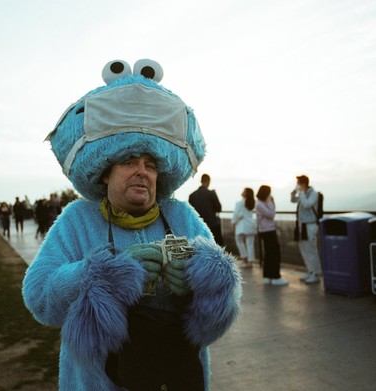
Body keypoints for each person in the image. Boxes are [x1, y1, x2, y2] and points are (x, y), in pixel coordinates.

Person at [22, 59, 242, 391]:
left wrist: (209, 282)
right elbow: (39, 298)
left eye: (150, 164)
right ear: (105, 172)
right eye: (128, 161)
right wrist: (98, 275)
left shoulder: (182, 216)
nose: (142, 171)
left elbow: (220, 316)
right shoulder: (76, 220)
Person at [291, 174, 322, 284]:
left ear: (303, 184)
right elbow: (293, 200)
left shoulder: (313, 193)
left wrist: (302, 193)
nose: (297, 185)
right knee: (304, 249)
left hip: (310, 225)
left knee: (311, 250)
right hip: (301, 225)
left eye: (298, 183)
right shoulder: (302, 193)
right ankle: (310, 271)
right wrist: (294, 192)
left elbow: (307, 204)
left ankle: (315, 273)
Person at [256, 185, 289, 286]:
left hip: (265, 231)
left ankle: (267, 276)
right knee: (274, 253)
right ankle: (275, 277)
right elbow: (271, 214)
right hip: (268, 231)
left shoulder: (260, 203)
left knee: (269, 254)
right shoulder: (261, 204)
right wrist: (270, 202)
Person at [188, 173, 224, 246]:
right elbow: (219, 208)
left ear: (201, 181)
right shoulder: (211, 194)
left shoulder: (192, 195)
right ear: (208, 181)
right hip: (211, 225)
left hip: (198, 225)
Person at [232, 187, 257, 268]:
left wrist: (233, 223)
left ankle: (244, 260)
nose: (242, 192)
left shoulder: (239, 203)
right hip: (251, 224)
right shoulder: (252, 202)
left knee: (239, 241)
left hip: (242, 226)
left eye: (244, 191)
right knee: (250, 244)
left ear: (246, 193)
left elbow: (236, 215)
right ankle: (250, 262)